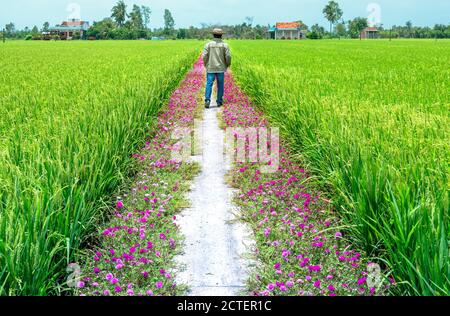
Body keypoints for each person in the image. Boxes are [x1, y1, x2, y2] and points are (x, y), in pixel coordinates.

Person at [202, 28, 232, 109]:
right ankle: (219, 101)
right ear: (221, 35)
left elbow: (204, 56)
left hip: (210, 67)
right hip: (220, 68)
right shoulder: (224, 45)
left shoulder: (208, 44)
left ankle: (207, 100)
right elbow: (228, 56)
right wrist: (228, 64)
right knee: (220, 84)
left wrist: (206, 64)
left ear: (213, 35)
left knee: (209, 83)